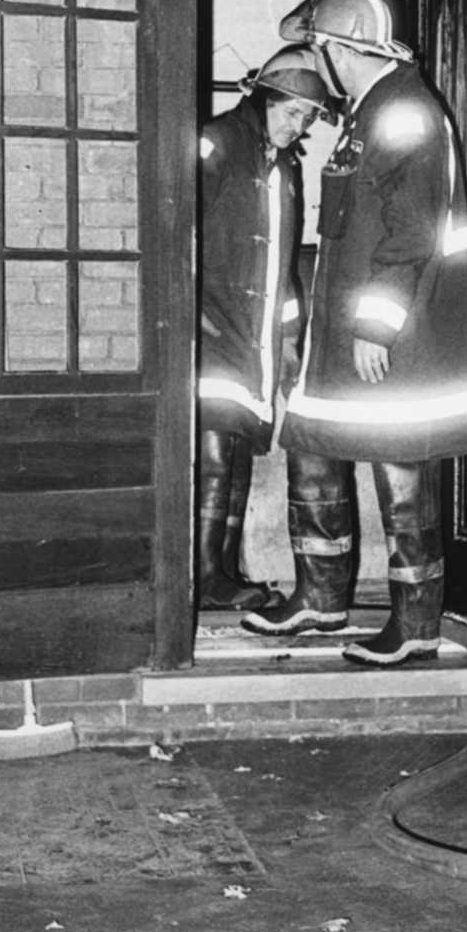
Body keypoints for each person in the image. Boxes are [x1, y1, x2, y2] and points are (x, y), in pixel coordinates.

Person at [241, 0, 467, 664]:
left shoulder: (404, 111)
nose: (317, 63)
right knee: (311, 442)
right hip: (344, 335)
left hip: (396, 339)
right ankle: (321, 599)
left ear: (340, 47)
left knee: (399, 470)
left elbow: (411, 231)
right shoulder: (370, 110)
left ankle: (415, 625)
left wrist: (376, 325)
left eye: (319, 49)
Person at [197, 45, 333, 612]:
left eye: (307, 118)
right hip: (211, 328)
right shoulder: (216, 142)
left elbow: (283, 266)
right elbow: (179, 232)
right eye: (291, 112)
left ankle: (222, 569)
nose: (297, 126)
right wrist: (193, 313)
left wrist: (290, 338)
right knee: (212, 448)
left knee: (236, 449)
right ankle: (203, 573)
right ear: (265, 97)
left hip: (255, 338)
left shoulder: (286, 169)